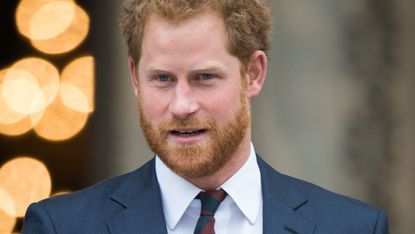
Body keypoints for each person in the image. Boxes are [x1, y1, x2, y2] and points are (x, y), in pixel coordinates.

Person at [22, 0, 389, 233]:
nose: (182, 105)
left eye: (204, 78)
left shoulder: (352, 227)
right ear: (135, 77)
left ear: (254, 73)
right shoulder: (62, 226)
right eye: (163, 78)